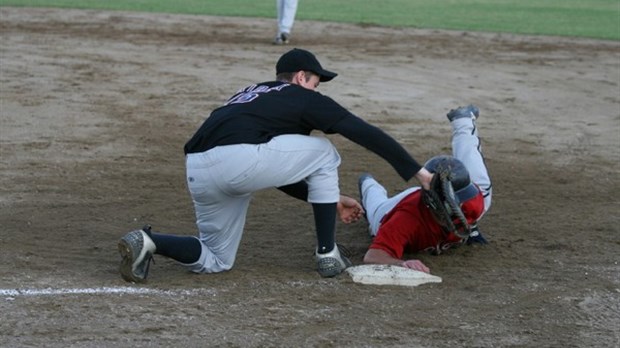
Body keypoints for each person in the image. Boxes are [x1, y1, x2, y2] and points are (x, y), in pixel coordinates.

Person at [117, 48, 435, 283]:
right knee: (325, 150)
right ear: (300, 77)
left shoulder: (251, 95)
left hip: (199, 168)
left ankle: (149, 241)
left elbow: (277, 173)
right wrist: (419, 172)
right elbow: (361, 130)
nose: (316, 89)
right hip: (239, 159)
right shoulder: (300, 96)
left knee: (215, 259)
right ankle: (327, 253)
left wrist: (332, 199)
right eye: (315, 82)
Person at [358, 105, 493, 273]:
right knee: (374, 206)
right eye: (455, 204)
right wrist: (402, 264)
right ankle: (367, 182)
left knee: (482, 185)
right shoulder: (406, 217)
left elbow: (464, 201)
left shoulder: (474, 198)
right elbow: (373, 256)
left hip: (431, 194)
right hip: (393, 209)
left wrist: (471, 228)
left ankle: (463, 120)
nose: (465, 206)